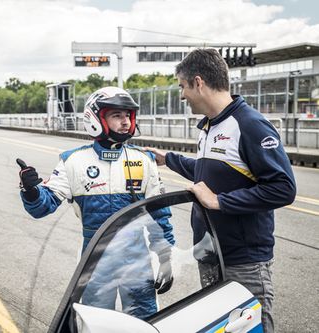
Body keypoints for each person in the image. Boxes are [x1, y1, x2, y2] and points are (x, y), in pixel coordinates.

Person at [147, 48, 296, 333]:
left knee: (252, 329)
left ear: (198, 82)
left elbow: (284, 189)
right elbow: (211, 172)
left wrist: (219, 201)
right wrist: (169, 159)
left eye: (182, 86)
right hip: (212, 254)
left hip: (243, 261)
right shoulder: (210, 126)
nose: (181, 95)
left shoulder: (249, 124)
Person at [17, 86, 175, 319]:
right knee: (98, 324)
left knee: (145, 323)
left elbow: (158, 215)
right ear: (96, 119)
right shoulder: (73, 161)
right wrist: (30, 190)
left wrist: (165, 257)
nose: (125, 122)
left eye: (128, 116)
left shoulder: (143, 161)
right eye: (116, 115)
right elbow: (44, 205)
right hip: (95, 260)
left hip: (137, 260)